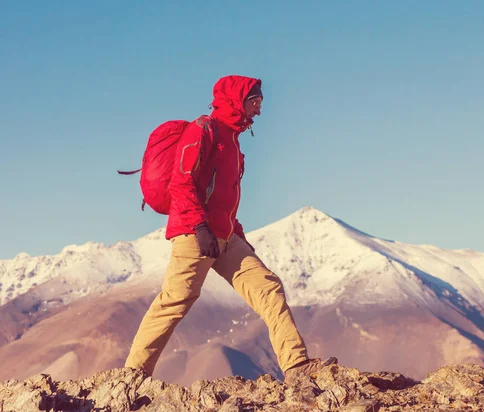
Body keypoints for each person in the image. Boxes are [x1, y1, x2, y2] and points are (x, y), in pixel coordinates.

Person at [124, 75, 337, 384]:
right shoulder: (204, 130)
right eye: (255, 102)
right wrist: (199, 226)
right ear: (237, 101)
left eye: (261, 102)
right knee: (174, 301)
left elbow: (225, 198)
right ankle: (132, 374)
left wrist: (238, 235)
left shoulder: (234, 142)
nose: (259, 110)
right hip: (194, 234)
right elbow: (181, 181)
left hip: (226, 235)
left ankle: (297, 367)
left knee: (268, 288)